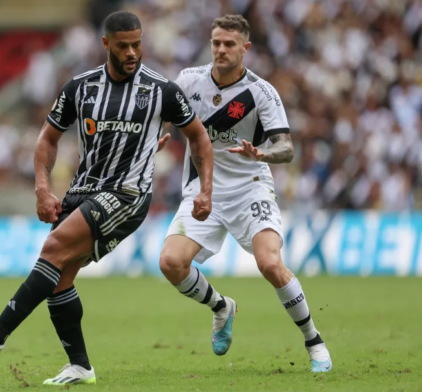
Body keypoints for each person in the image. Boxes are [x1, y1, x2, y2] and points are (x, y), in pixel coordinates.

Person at [0, 11, 215, 386]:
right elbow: (47, 139)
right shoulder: (81, 87)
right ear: (106, 44)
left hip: (127, 194)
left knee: (54, 247)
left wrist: (205, 190)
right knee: (58, 276)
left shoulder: (162, 90)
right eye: (123, 46)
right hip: (82, 190)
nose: (131, 53)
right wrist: (43, 188)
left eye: (137, 45)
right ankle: (80, 366)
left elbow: (198, 137)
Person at [159, 14, 332, 373]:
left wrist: (263, 153)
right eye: (216, 43)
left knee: (270, 263)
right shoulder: (189, 81)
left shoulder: (261, 93)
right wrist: (155, 138)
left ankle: (314, 341)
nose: (221, 50)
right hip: (201, 189)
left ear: (245, 48)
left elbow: (287, 148)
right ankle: (222, 306)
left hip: (249, 187)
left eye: (229, 44)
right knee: (170, 263)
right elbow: (159, 117)